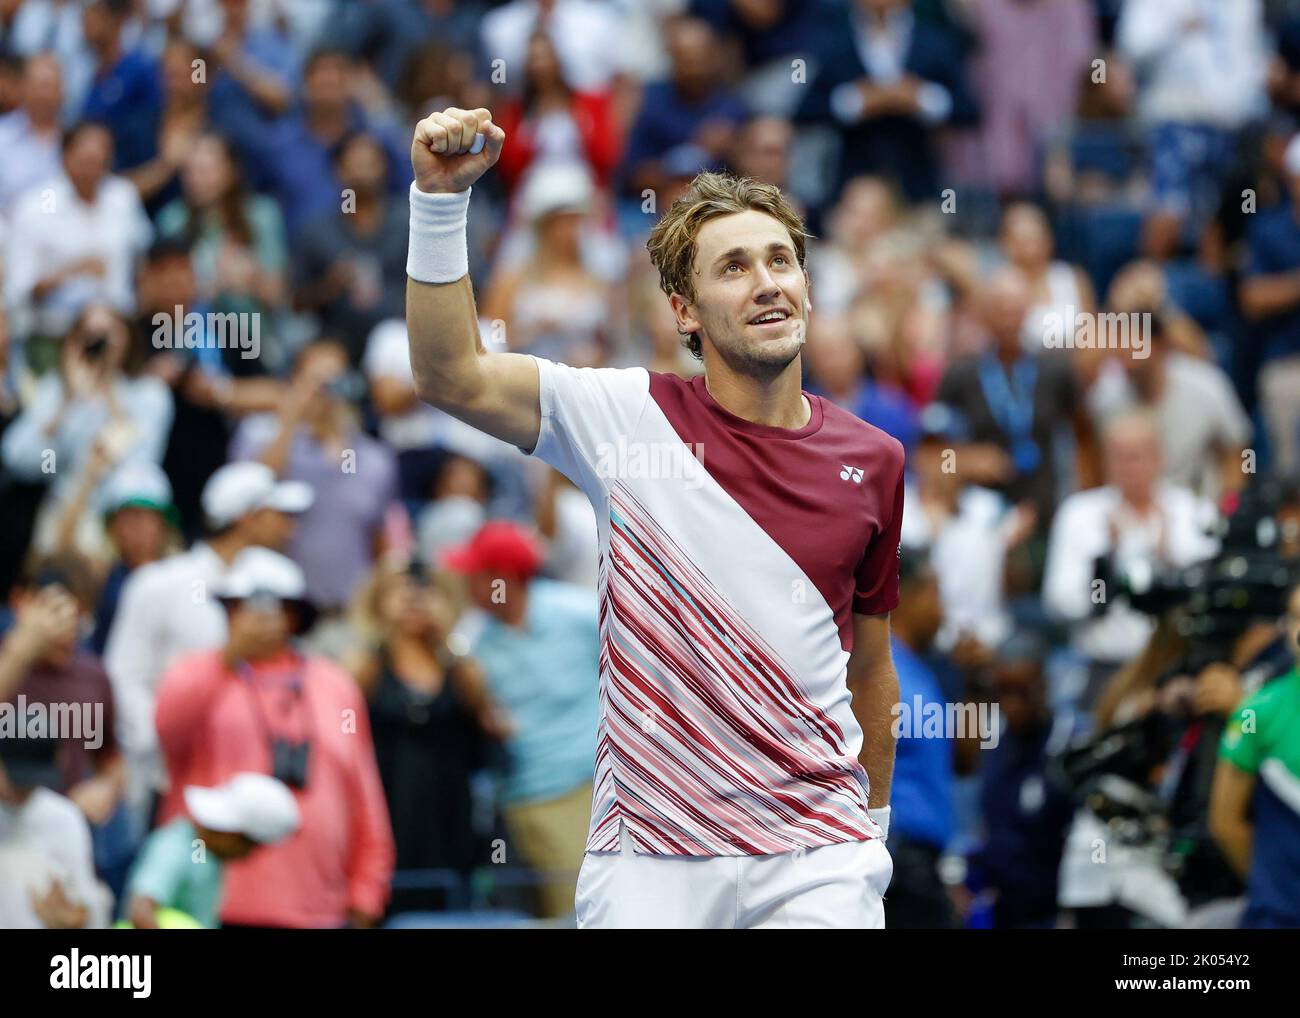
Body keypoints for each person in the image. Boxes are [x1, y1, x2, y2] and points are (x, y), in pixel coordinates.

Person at [406, 107, 900, 928]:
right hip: (648, 859)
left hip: (820, 855)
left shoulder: (876, 458)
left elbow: (873, 669)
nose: (768, 282)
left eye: (781, 260)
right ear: (684, 312)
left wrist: (871, 838)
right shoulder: (622, 415)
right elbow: (449, 373)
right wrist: (438, 202)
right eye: (734, 268)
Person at [153, 547, 394, 928]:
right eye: (243, 606)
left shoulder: (335, 684)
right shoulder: (201, 672)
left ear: (294, 614)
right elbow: (167, 729)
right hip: (212, 912)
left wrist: (368, 890)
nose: (258, 618)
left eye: (272, 606)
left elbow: (364, 793)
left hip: (319, 912)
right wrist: (229, 656)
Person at [103, 460, 312, 840]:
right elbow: (124, 675)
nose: (289, 527)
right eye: (277, 515)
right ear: (246, 518)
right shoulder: (158, 582)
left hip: (256, 785)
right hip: (170, 785)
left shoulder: (281, 588)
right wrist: (159, 747)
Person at [442, 521, 598, 919]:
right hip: (515, 800)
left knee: (583, 909)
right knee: (539, 914)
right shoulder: (473, 639)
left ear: (503, 578)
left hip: (582, 790)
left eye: (474, 576)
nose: (466, 585)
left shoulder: (578, 612)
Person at [347, 556, 505, 915]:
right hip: (386, 811)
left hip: (449, 814)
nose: (413, 599)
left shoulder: (458, 664)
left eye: (423, 591)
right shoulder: (367, 664)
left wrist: (447, 636)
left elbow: (488, 718)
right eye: (399, 590)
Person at [1210, 581, 1300, 928]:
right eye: (1294, 619)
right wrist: (1274, 885)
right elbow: (1225, 822)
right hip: (1277, 915)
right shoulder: (1254, 713)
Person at [123, 771, 300, 930]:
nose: (247, 855)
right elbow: (140, 913)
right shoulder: (175, 847)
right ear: (232, 834)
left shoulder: (203, 851)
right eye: (250, 846)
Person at [0, 734, 107, 929]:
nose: (24, 789)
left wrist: (72, 919)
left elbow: (87, 904)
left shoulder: (64, 818)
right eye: (18, 780)